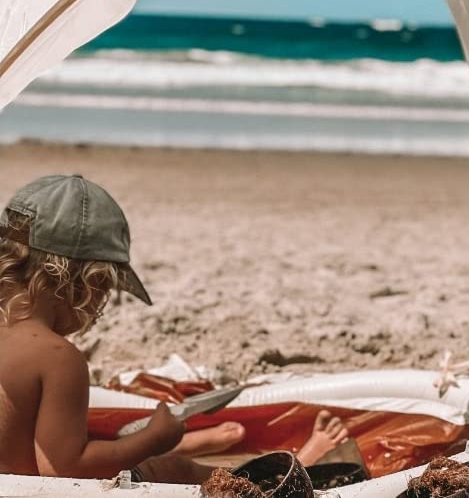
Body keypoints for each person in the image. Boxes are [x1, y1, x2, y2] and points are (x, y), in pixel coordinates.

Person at [0, 175, 348, 484]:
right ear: (84, 283)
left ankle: (193, 446)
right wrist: (153, 438)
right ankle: (273, 484)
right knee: (171, 469)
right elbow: (63, 470)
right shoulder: (58, 357)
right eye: (105, 291)